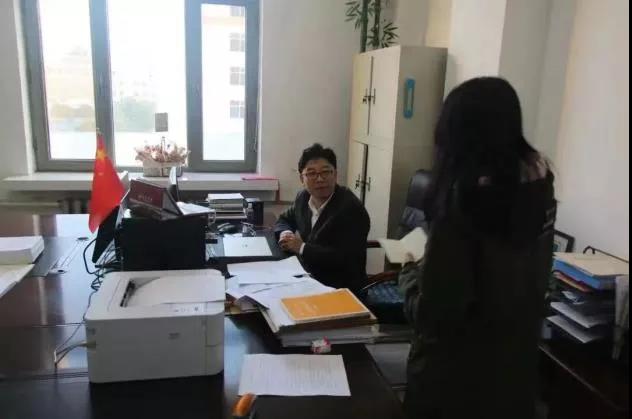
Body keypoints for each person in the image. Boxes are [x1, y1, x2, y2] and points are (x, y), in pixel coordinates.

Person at [400, 77, 557, 419]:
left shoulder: (463, 206)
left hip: (452, 386)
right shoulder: (539, 191)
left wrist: (409, 273)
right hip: (512, 377)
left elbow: (433, 317)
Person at [275, 144, 370, 293]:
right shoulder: (303, 197)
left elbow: (344, 258)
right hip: (308, 279)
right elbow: (284, 219)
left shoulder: (350, 208)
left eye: (326, 172)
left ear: (335, 175)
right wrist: (285, 233)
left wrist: (301, 247)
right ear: (302, 178)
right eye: (311, 173)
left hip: (341, 289)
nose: (320, 179)